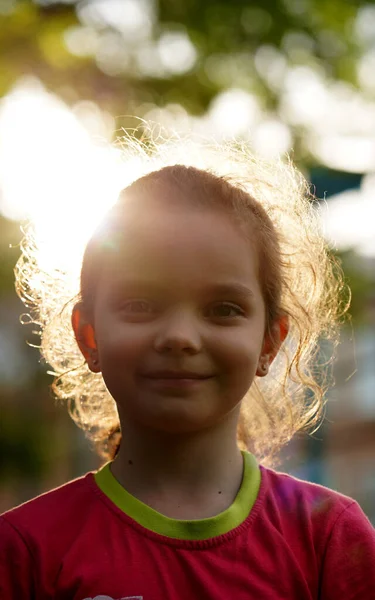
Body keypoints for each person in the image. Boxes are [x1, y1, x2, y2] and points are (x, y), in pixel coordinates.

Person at [1, 134, 374, 599]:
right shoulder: (24, 552)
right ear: (89, 336)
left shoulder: (330, 540)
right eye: (140, 304)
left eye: (222, 308)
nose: (180, 336)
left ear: (269, 342)